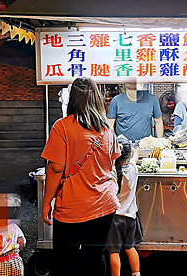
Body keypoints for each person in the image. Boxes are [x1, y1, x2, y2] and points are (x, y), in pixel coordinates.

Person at [41, 77, 121, 276]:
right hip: (104, 204)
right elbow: (112, 164)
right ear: (97, 98)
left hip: (72, 206)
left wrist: (46, 202)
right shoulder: (107, 129)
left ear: (73, 99)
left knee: (65, 257)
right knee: (95, 255)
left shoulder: (62, 127)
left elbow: (55, 169)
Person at [106, 135, 142, 276]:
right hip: (130, 216)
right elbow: (134, 158)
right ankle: (136, 274)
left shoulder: (112, 172)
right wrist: (135, 150)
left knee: (114, 251)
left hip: (115, 219)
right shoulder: (134, 168)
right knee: (130, 247)